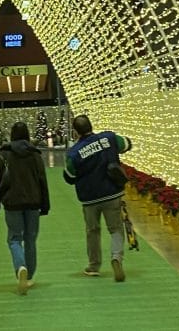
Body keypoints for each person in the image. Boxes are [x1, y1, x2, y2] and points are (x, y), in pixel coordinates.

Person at [63, 114, 132, 282]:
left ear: (76, 132)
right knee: (115, 229)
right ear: (91, 125)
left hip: (89, 199)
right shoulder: (109, 137)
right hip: (112, 193)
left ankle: (94, 266)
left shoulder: (74, 153)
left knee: (92, 231)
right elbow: (127, 144)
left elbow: (69, 177)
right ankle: (116, 257)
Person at [0, 122, 50, 295]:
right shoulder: (35, 154)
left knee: (14, 239)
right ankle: (29, 276)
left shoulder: (4, 154)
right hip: (33, 203)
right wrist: (45, 205)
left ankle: (20, 267)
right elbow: (42, 181)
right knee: (30, 239)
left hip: (12, 203)